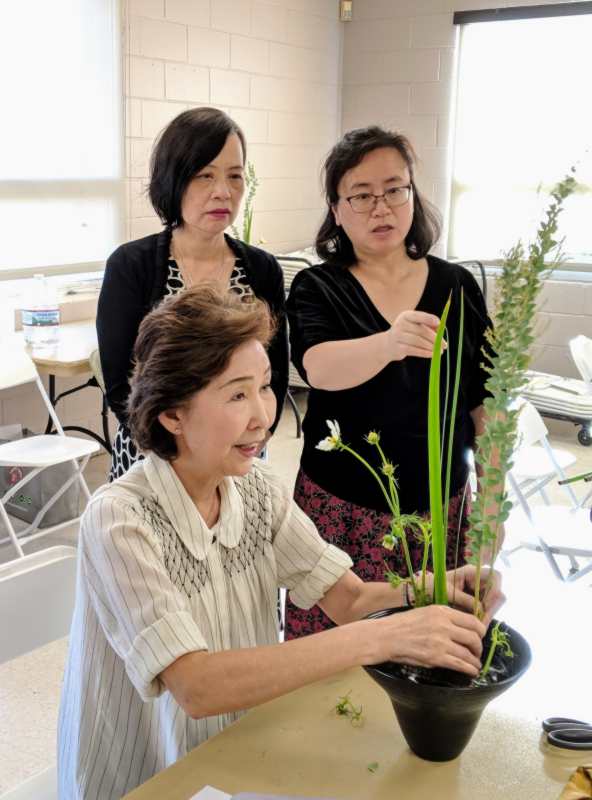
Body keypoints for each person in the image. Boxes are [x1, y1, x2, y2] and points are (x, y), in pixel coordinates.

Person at [58, 286, 503, 800]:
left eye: (266, 387)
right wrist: (383, 638)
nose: (263, 416)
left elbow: (350, 599)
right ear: (172, 413)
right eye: (236, 395)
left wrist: (429, 589)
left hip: (237, 751)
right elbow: (197, 686)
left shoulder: (256, 487)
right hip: (144, 779)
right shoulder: (120, 519)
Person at [285, 126, 494, 640]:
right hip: (342, 507)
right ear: (336, 210)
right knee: (335, 651)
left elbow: (484, 399)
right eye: (361, 195)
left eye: (394, 190)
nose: (381, 208)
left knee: (430, 643)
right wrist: (389, 343)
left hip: (440, 505)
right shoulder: (319, 285)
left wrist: (493, 498)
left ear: (412, 195)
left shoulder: (456, 285)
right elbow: (317, 367)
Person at [97, 107, 288, 481]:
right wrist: (183, 454)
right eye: (205, 176)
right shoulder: (131, 265)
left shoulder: (262, 269)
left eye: (235, 176)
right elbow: (121, 385)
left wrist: (252, 433)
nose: (223, 192)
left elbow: (275, 375)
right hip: (153, 455)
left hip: (239, 452)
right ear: (174, 179)